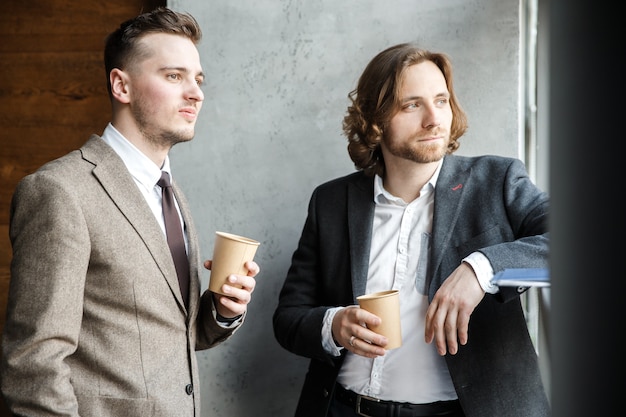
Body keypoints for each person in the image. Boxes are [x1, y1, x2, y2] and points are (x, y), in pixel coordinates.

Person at [0, 7, 259, 417]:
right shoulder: (58, 191)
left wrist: (222, 311)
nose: (196, 92)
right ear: (121, 85)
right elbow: (33, 365)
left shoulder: (170, 194)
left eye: (198, 79)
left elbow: (167, 335)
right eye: (174, 76)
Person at [273, 43, 550, 417]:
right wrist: (333, 325)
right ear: (374, 120)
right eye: (412, 105)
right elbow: (288, 317)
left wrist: (481, 269)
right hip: (344, 408)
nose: (434, 119)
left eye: (441, 100)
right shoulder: (331, 201)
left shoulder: (497, 181)